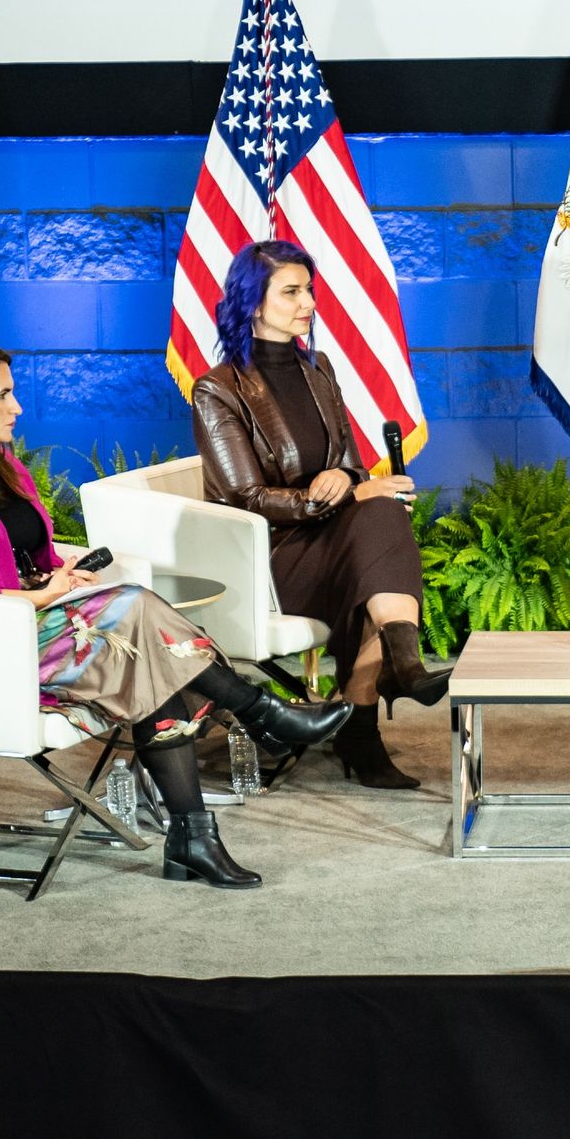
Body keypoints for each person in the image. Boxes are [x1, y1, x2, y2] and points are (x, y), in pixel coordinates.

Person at [0, 335, 351, 887]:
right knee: (137, 614)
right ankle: (256, 715)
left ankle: (194, 834)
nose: (17, 407)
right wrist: (39, 598)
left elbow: (27, 560)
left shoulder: (0, 467)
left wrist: (58, 576)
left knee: (146, 658)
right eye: (2, 395)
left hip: (39, 627)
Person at [192, 240, 451, 790]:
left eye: (308, 290)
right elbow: (244, 498)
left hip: (333, 539)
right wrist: (335, 496)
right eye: (291, 292)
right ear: (252, 302)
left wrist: (350, 482)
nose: (308, 303)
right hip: (271, 556)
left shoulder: (319, 368)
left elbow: (350, 465)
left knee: (382, 515)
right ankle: (379, 701)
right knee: (375, 523)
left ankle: (397, 668)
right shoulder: (217, 390)